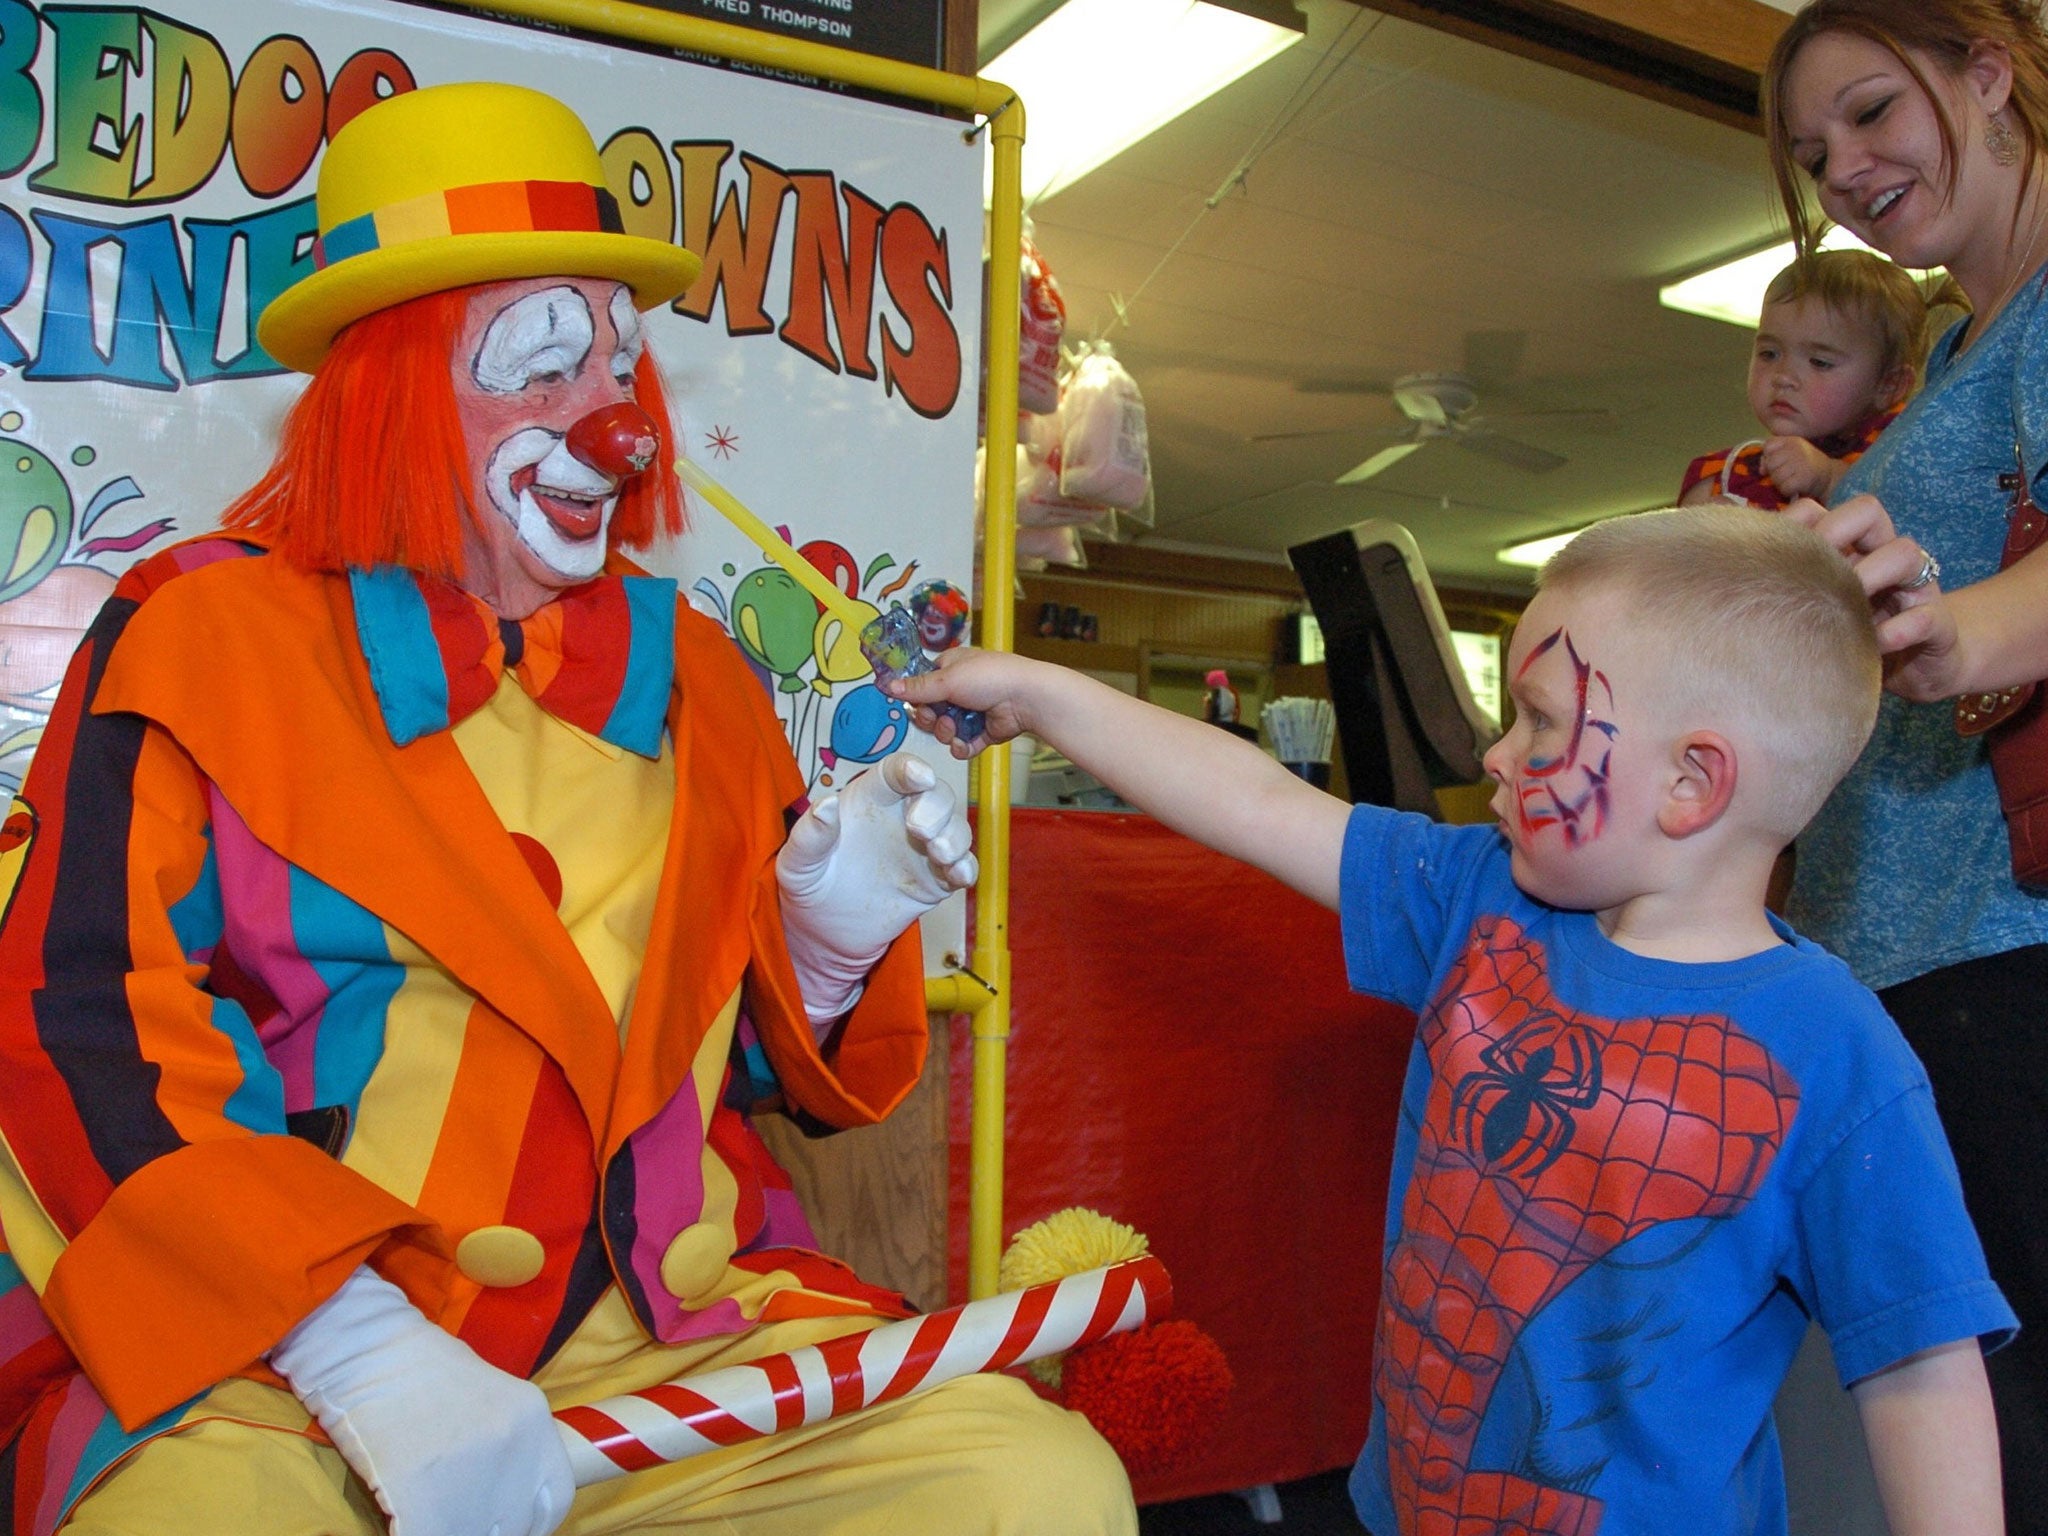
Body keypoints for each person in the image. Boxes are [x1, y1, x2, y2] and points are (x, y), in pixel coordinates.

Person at [0, 82, 1135, 1536]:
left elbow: (756, 1085)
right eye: (542, 368)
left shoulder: (701, 678)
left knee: (1030, 1491)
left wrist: (829, 944)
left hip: (664, 1344)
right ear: (395, 391)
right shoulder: (201, 637)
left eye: (618, 372)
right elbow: (75, 1017)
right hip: (289, 1355)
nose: (615, 430)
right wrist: (351, 1346)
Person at [889, 505, 2016, 1536]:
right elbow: (1258, 802)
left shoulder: (1836, 1055)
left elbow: (1919, 1368)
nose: (1494, 755)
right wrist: (1042, 694)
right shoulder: (1482, 902)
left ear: (1690, 784)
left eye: (1538, 722)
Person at [1764, 5, 2048, 1526]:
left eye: (1876, 113)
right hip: (1903, 949)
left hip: (2004, 942)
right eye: (1818, 153)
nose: (1848, 169)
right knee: (1963, 1415)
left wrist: (1954, 629)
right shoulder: (1951, 342)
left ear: (1989, 70)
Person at [1678, 249, 1925, 510]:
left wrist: (1829, 478)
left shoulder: (1905, 453)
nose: (1783, 377)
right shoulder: (1727, 475)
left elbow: (1915, 522)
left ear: (1889, 384)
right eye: (1769, 354)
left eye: (1819, 362)